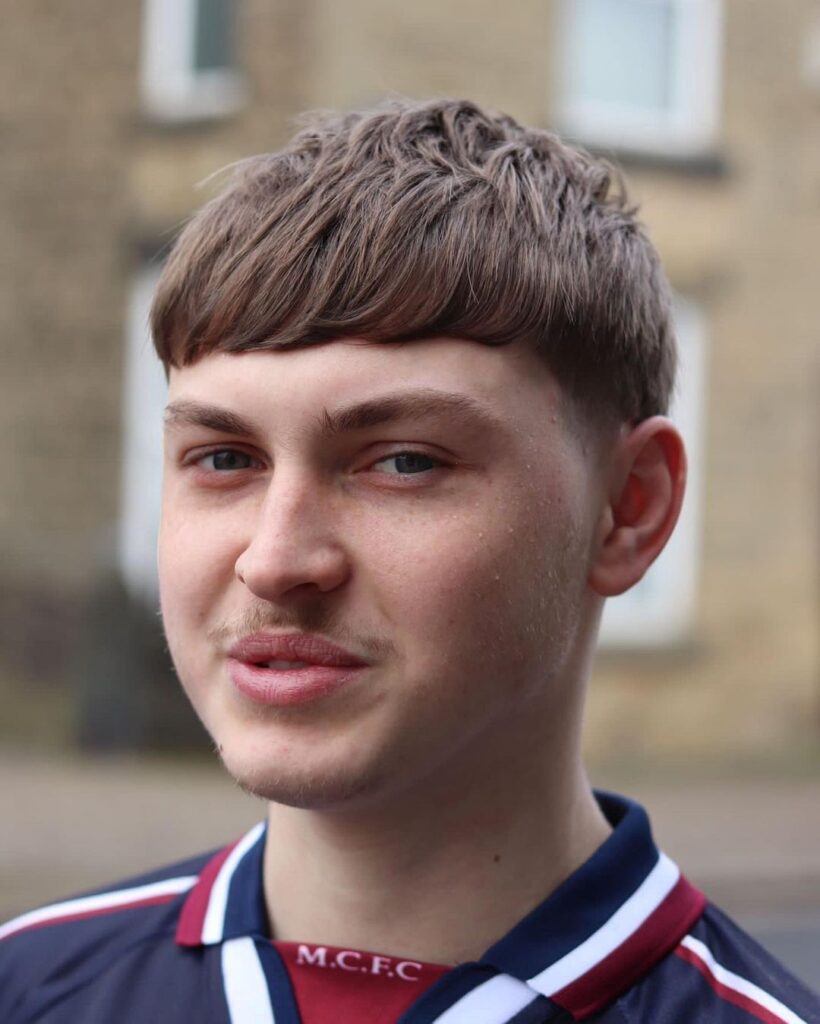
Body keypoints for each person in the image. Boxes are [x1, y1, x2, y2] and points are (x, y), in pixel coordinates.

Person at [1, 98, 817, 1024]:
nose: (276, 561)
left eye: (403, 462)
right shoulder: (31, 987)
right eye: (225, 459)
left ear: (627, 510)